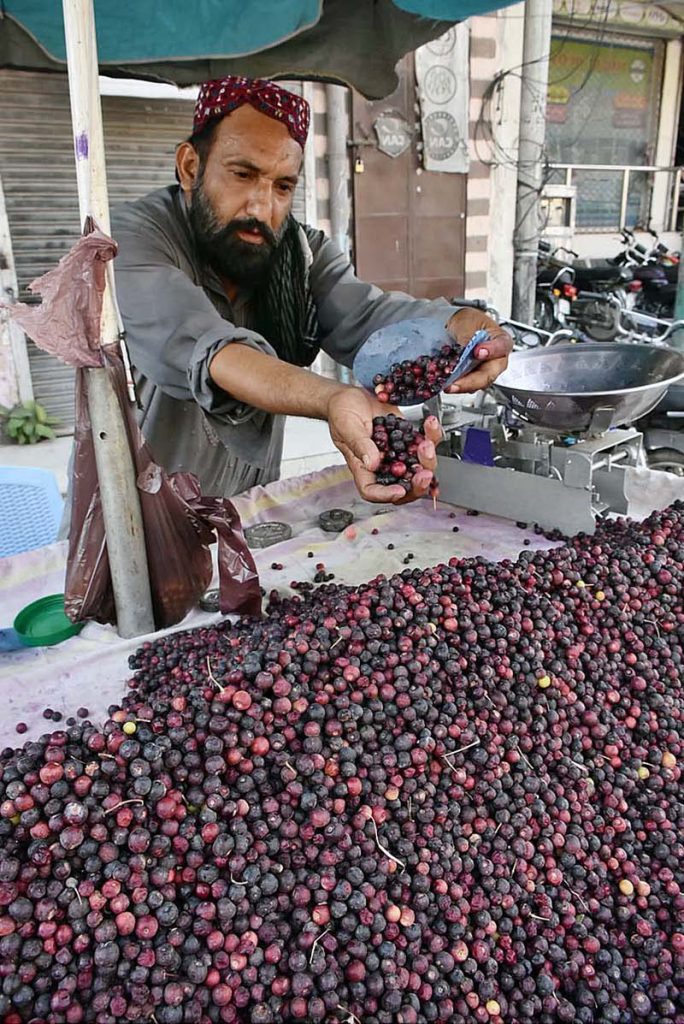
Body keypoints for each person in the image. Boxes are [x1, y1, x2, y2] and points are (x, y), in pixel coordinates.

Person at [111, 75, 511, 506]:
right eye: (243, 174)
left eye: (283, 186)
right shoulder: (134, 238)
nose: (262, 208)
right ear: (191, 167)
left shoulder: (298, 253)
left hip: (245, 518)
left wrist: (457, 327)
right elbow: (210, 349)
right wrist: (332, 398)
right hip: (137, 527)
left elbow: (367, 316)